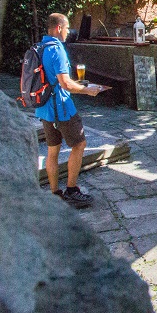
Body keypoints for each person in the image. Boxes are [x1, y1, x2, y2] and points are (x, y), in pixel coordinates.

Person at [39, 13, 101, 208]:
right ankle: (72, 190)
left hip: (45, 108)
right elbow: (65, 84)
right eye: (66, 28)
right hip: (62, 108)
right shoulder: (57, 49)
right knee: (80, 144)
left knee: (52, 151)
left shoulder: (41, 47)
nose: (68, 32)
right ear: (59, 28)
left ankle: (55, 193)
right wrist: (87, 90)